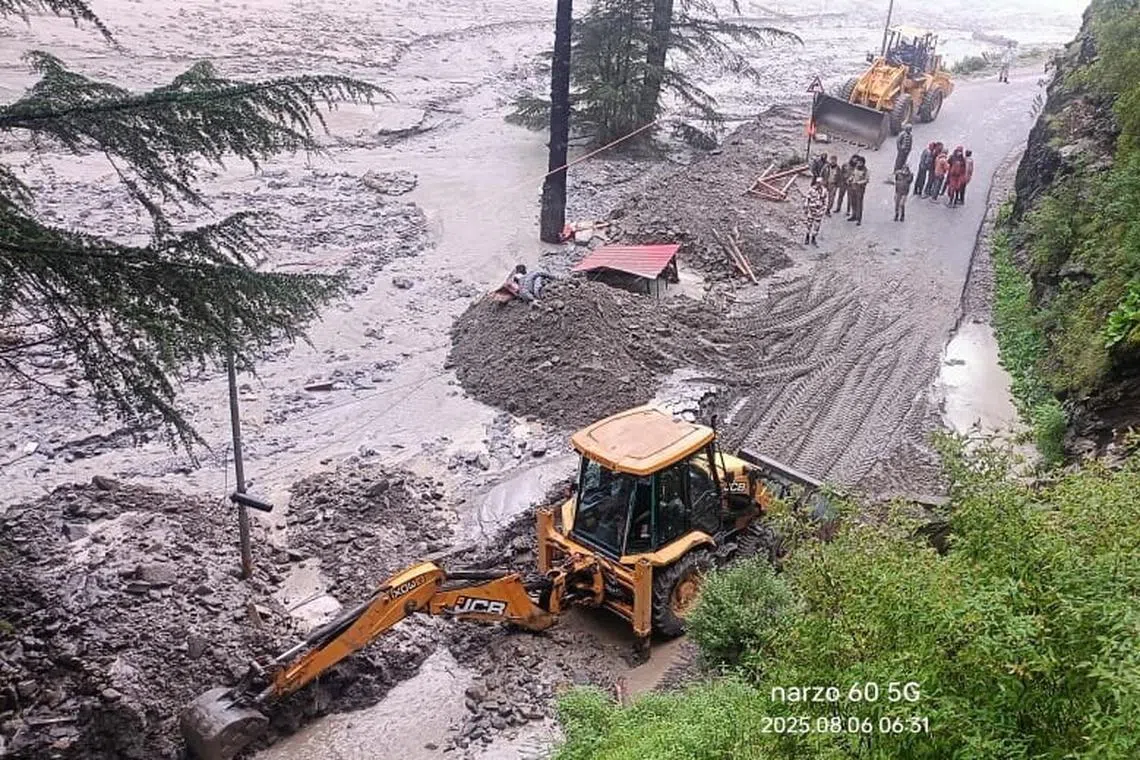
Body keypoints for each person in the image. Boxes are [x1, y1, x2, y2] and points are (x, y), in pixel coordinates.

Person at [802, 176, 828, 246]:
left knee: (816, 226)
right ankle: (807, 237)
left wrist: (824, 209)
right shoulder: (811, 190)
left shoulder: (824, 191)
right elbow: (807, 198)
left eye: (820, 183)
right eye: (817, 182)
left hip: (819, 211)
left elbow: (825, 201)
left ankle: (813, 238)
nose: (818, 184)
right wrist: (806, 206)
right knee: (809, 224)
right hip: (811, 210)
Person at [847, 156, 869, 225]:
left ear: (863, 163)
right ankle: (854, 215)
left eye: (860, 162)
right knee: (853, 202)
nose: (859, 163)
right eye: (858, 162)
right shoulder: (856, 168)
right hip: (853, 187)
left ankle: (859, 219)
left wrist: (859, 182)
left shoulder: (865, 170)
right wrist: (850, 179)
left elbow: (866, 180)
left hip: (860, 188)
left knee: (859, 203)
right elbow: (853, 175)